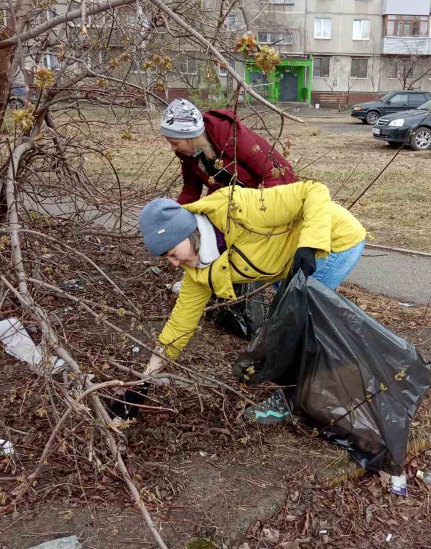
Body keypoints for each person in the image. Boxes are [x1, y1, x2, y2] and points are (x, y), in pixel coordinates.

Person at [133, 180, 366, 424]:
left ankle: (291, 399)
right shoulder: (198, 272)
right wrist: (142, 382)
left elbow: (314, 191)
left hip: (332, 241)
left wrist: (309, 244)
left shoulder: (237, 210)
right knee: (292, 316)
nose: (174, 263)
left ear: (186, 232)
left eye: (171, 253)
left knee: (295, 323)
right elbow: (179, 326)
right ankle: (332, 359)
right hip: (285, 260)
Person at [160, 99, 297, 205]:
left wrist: (258, 209)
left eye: (175, 143)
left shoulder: (229, 135)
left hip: (274, 190)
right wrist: (175, 215)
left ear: (191, 137)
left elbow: (269, 174)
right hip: (233, 199)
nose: (173, 148)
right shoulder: (189, 155)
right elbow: (191, 190)